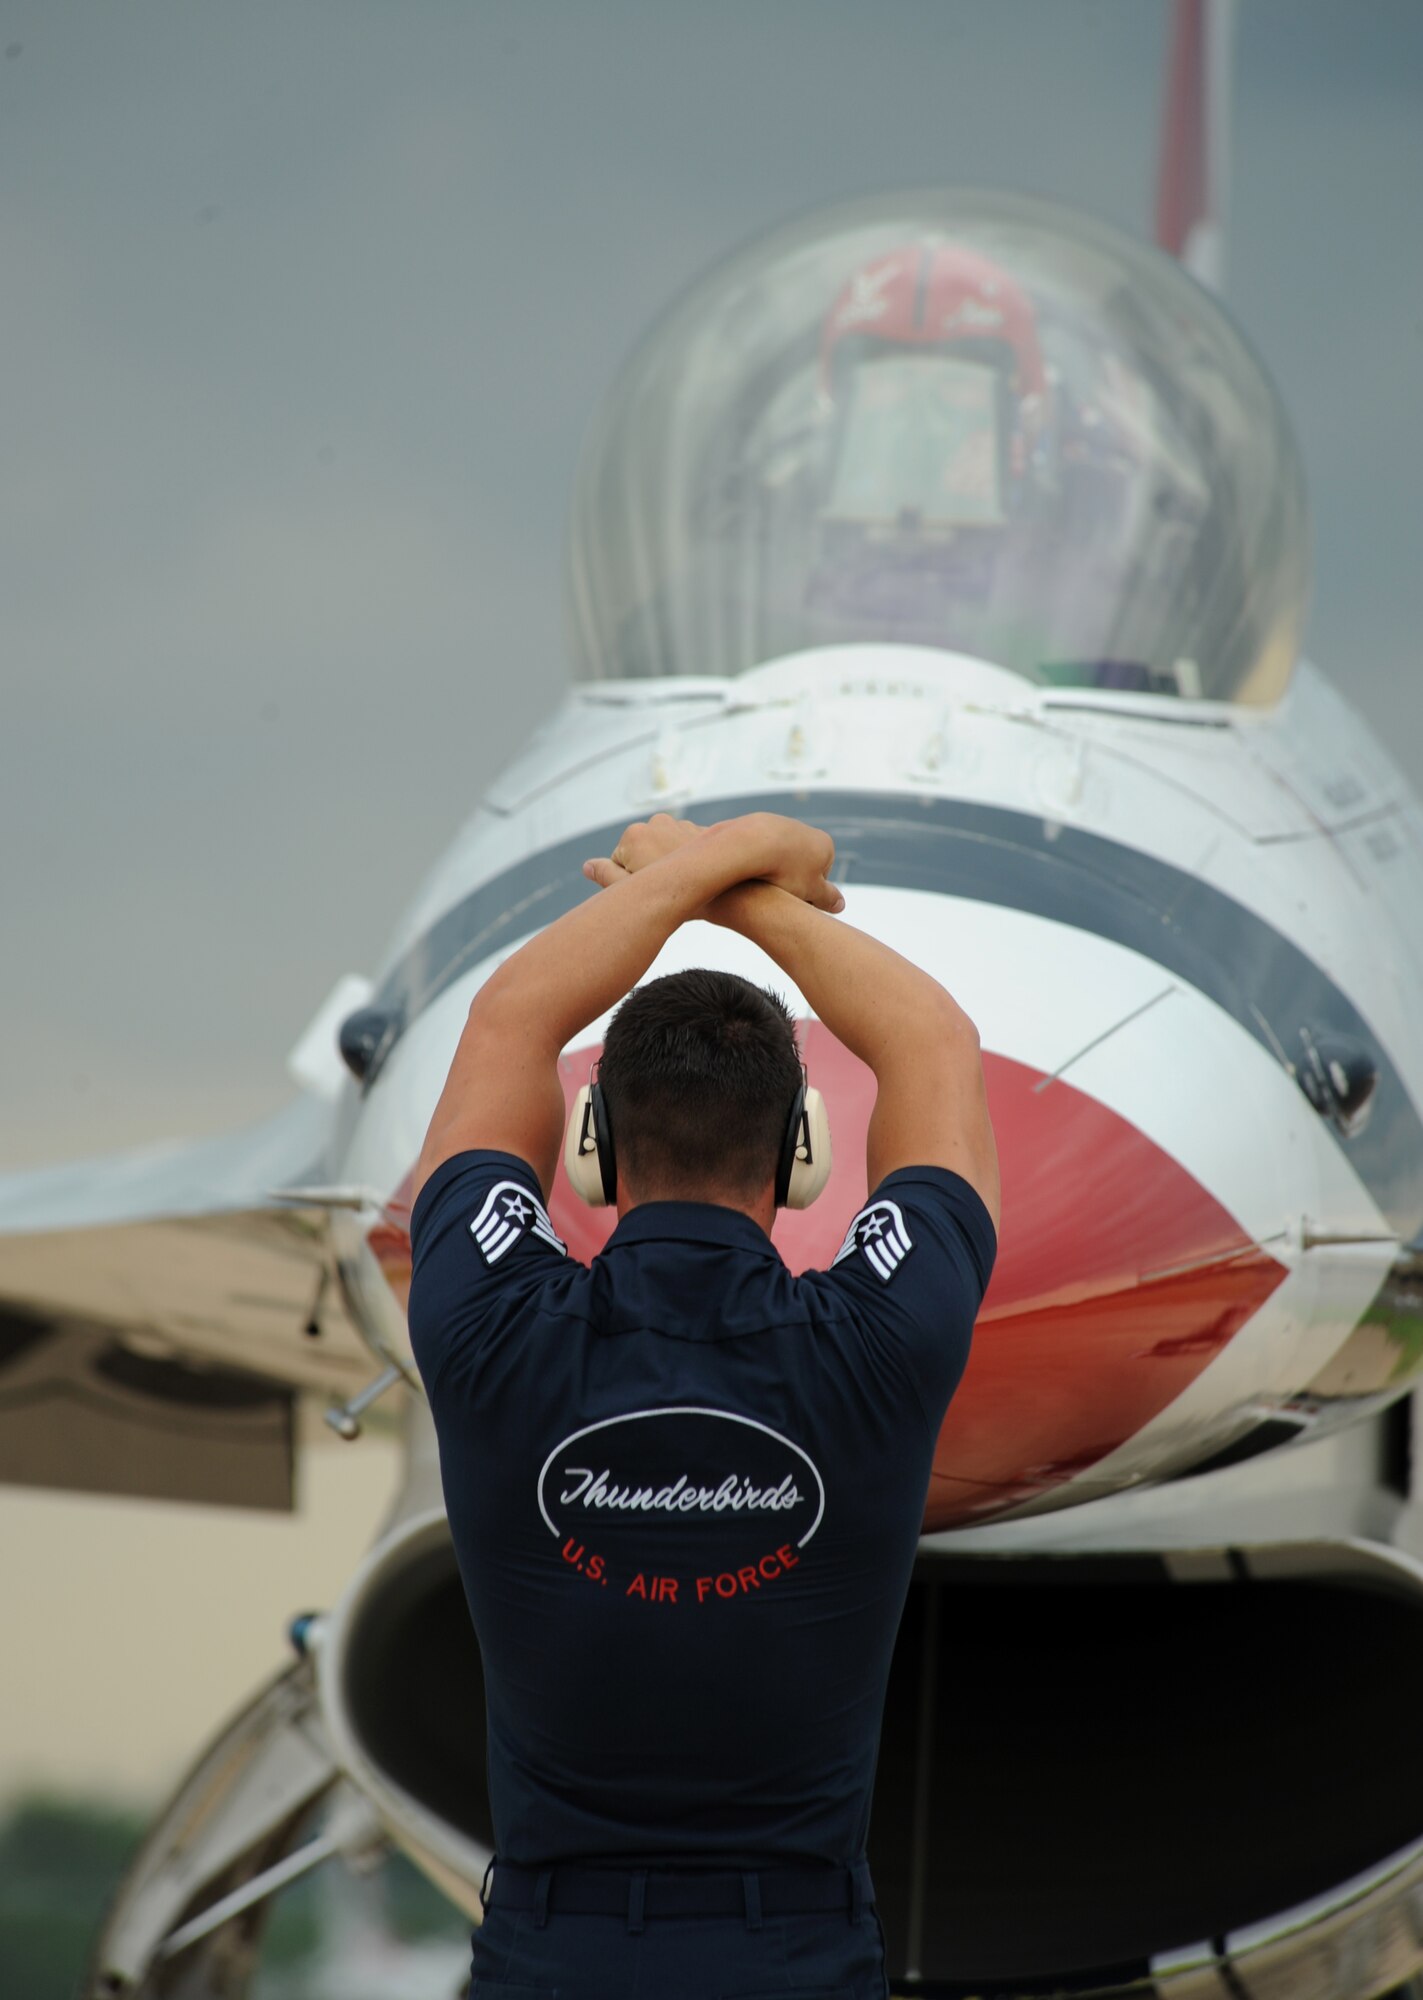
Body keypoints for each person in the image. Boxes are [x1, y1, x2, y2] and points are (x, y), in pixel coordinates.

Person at [407, 810, 999, 1999]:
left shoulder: (488, 1325)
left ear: (591, 1144)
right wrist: (745, 884)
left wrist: (688, 874)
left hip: (545, 1958)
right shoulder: (879, 1342)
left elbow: (510, 1018)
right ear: (801, 1154)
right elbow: (932, 1038)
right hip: (798, 1960)